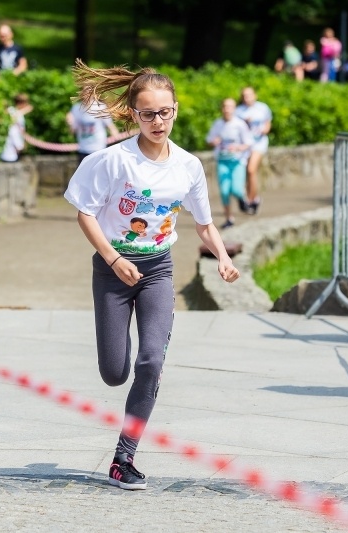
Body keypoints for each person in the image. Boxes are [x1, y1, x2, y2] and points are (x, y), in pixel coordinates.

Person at [63, 59, 240, 490]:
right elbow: (84, 212)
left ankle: (124, 458)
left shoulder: (188, 166)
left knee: (151, 362)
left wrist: (222, 256)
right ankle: (117, 350)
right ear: (133, 114)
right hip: (113, 270)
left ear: (176, 110)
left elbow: (203, 221)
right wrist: (110, 257)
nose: (157, 121)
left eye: (164, 112)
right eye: (147, 113)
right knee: (114, 370)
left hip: (158, 269)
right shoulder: (111, 162)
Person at [206, 98, 254, 228]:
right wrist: (214, 141)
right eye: (225, 106)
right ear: (222, 108)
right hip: (222, 161)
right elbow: (210, 139)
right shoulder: (218, 124)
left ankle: (242, 197)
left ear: (234, 109)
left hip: (237, 161)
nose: (227, 109)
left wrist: (238, 147)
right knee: (224, 191)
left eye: (230, 107)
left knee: (237, 190)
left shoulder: (239, 124)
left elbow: (249, 142)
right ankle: (229, 218)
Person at [235, 86, 271, 215]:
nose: (247, 98)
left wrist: (264, 130)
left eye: (249, 95)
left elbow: (267, 124)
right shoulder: (238, 111)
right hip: (244, 145)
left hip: (258, 143)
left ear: (255, 95)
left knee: (251, 170)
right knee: (246, 172)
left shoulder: (263, 108)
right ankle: (254, 198)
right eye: (244, 95)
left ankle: (250, 201)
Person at [66, 99, 120, 165]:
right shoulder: (76, 108)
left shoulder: (100, 107)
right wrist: (70, 123)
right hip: (83, 148)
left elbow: (110, 125)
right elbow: (73, 130)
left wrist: (116, 139)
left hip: (99, 148)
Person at [0, 93, 33, 162]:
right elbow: (13, 131)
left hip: (15, 149)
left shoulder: (18, 113)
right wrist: (19, 145)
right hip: (10, 151)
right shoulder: (12, 111)